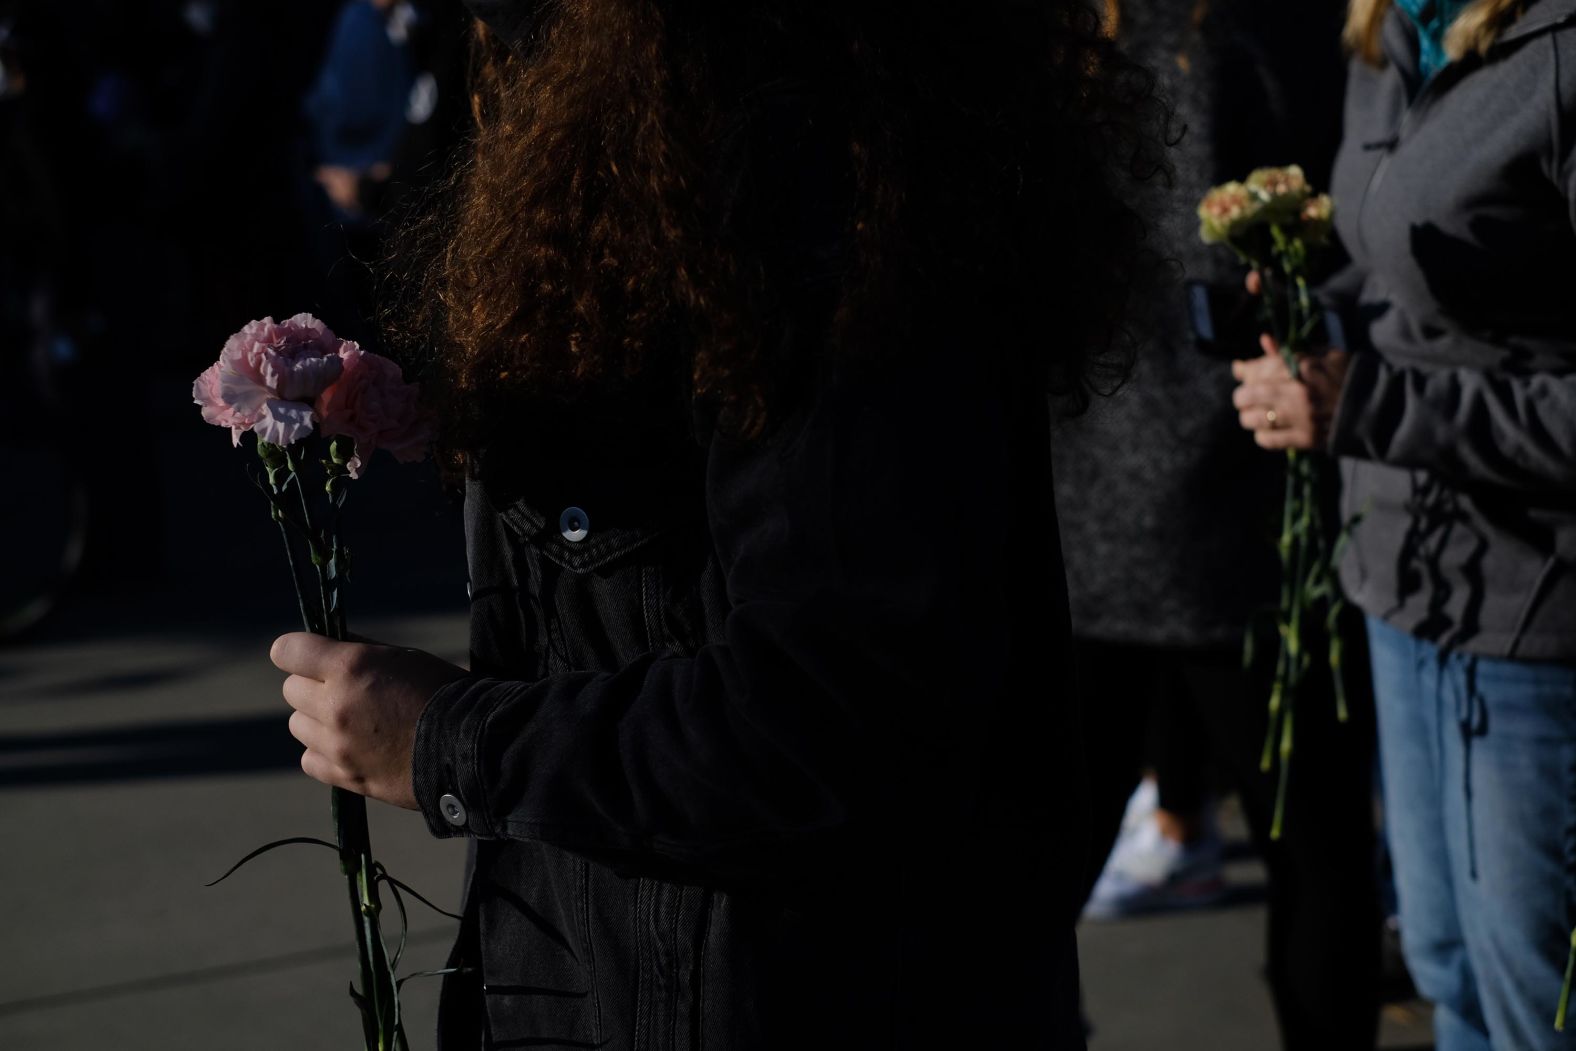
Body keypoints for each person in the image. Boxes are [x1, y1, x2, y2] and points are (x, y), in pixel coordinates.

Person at [267, 1, 1168, 1047]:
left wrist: (447, 741)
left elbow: (833, 706)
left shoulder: (798, 175)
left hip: (779, 992)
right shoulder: (646, 104)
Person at [1231, 0, 1576, 1047]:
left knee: (1530, 999)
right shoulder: (1384, 26)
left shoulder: (1558, 51)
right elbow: (1395, 274)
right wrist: (1304, 302)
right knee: (1442, 966)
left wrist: (1365, 407)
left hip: (1532, 614)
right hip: (1396, 579)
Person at [1055, 2, 1381, 1046]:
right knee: (1318, 856)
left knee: (1027, 870)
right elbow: (1346, 227)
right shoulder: (1252, 27)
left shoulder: (1057, 37)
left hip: (1078, 504)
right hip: (1243, 489)